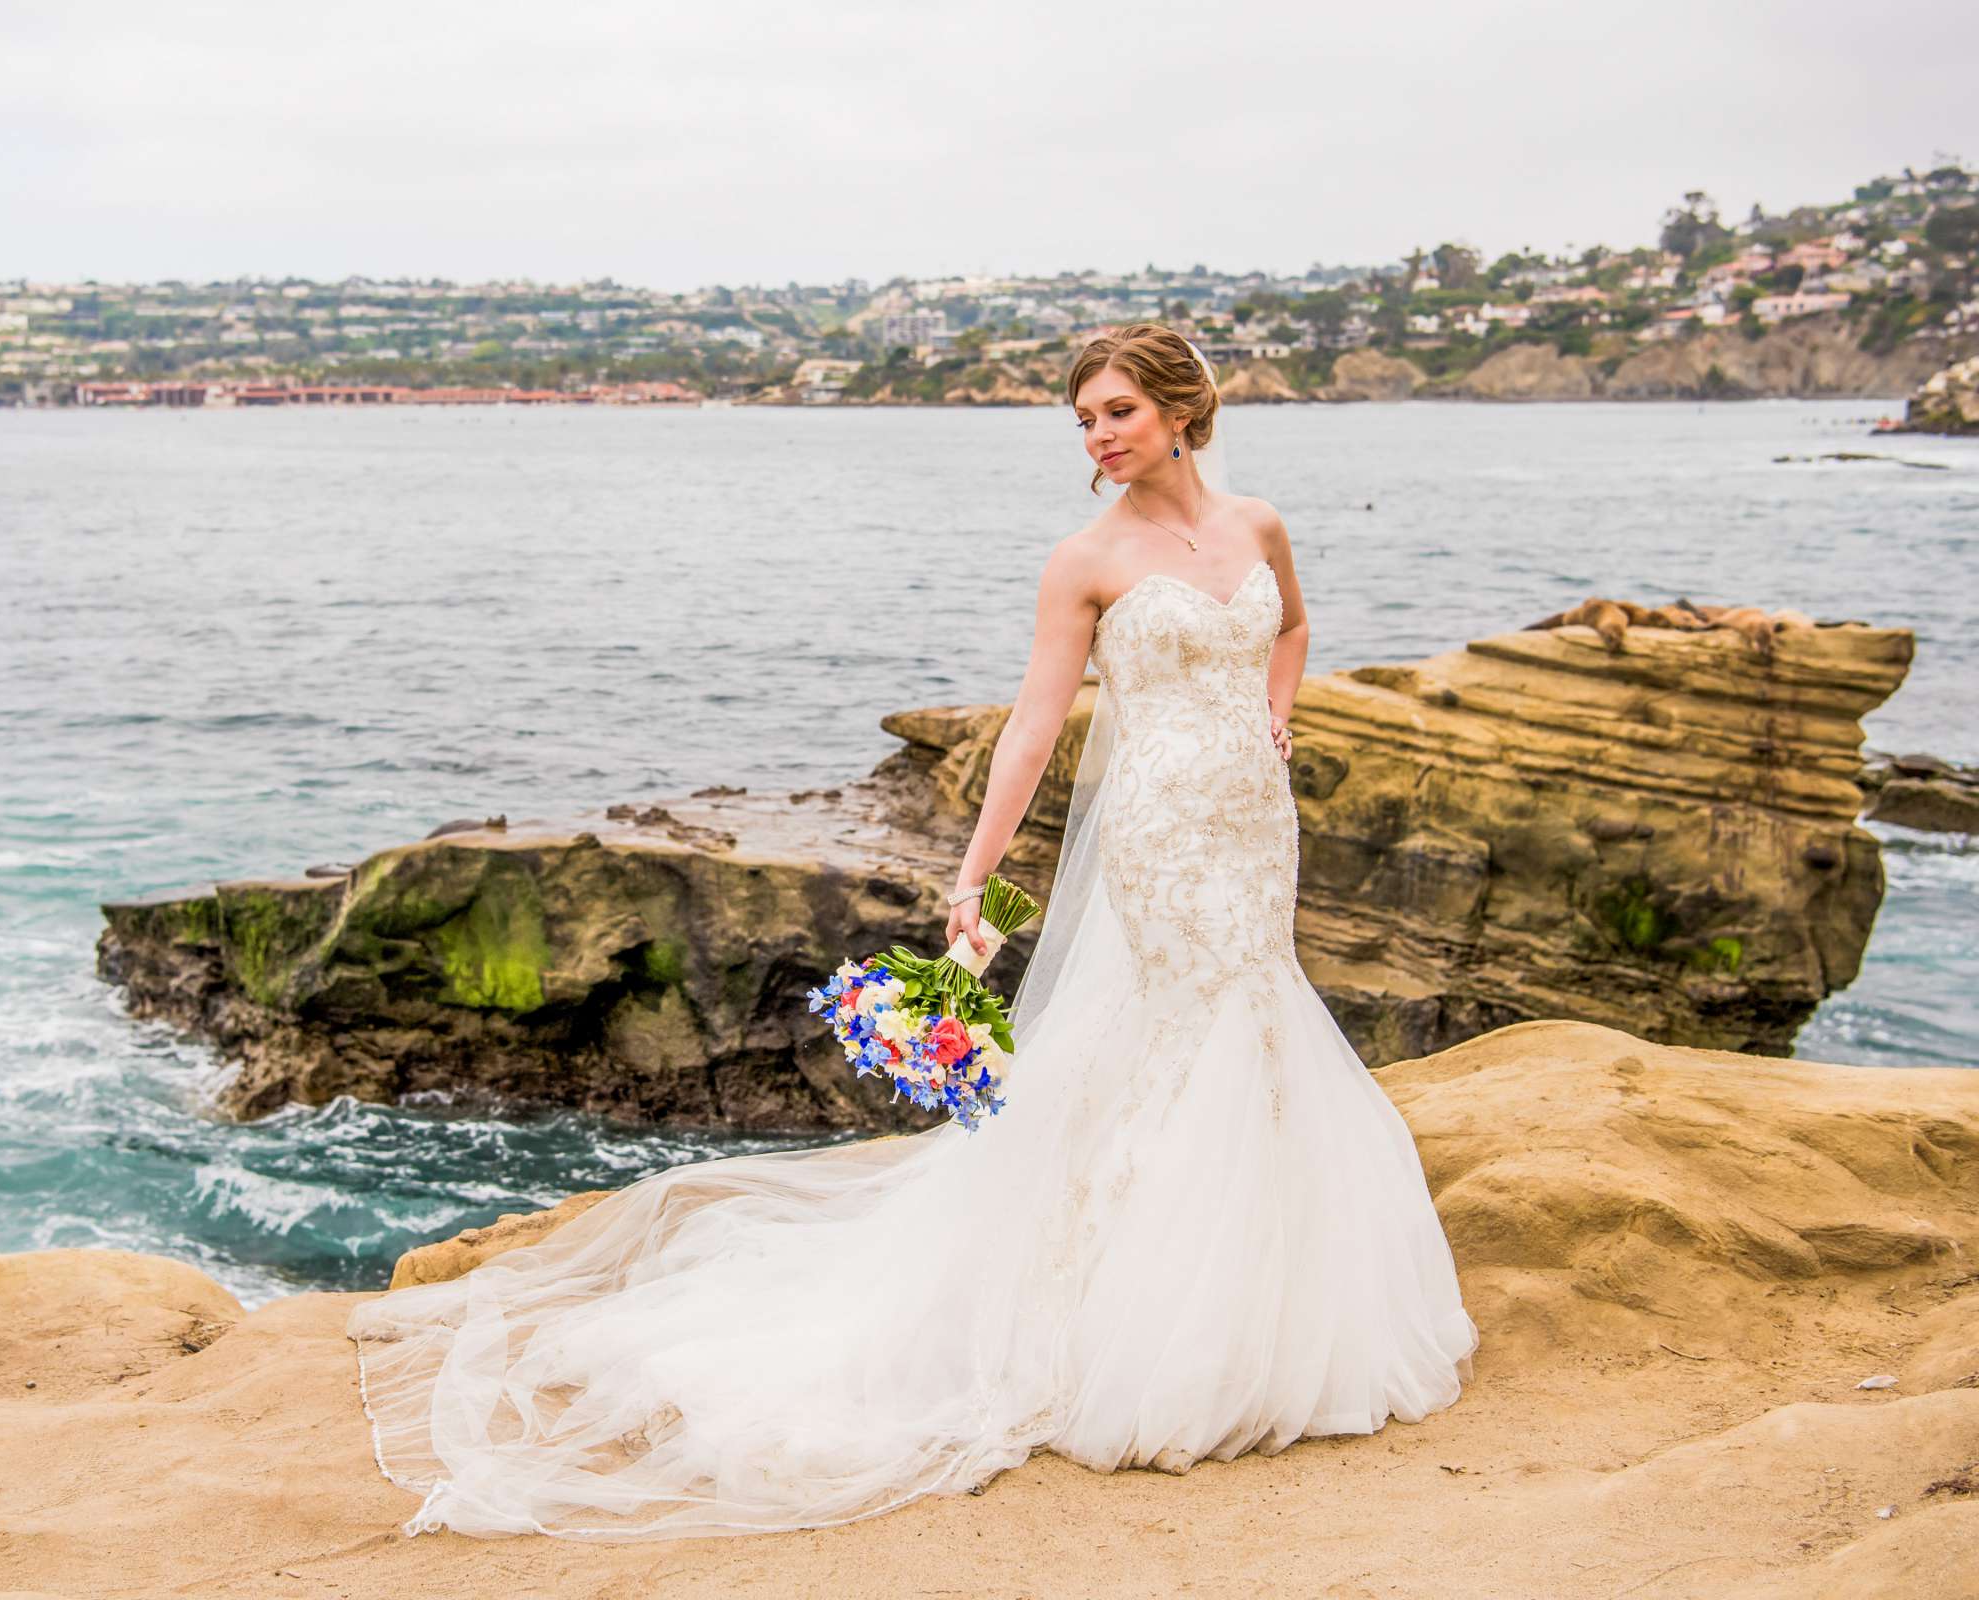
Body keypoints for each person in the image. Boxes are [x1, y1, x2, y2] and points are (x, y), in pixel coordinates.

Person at [347, 321, 1480, 1541]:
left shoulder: (1258, 523)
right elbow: (1035, 729)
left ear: (1181, 407)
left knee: (1253, 1021)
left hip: (1257, 826)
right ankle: (1130, 1321)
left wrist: (1274, 720)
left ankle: (1267, 1300)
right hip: (1157, 837)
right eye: (1084, 417)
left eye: (1116, 411)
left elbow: (1293, 627)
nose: (1098, 434)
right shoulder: (1082, 561)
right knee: (1170, 1033)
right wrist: (971, 874)